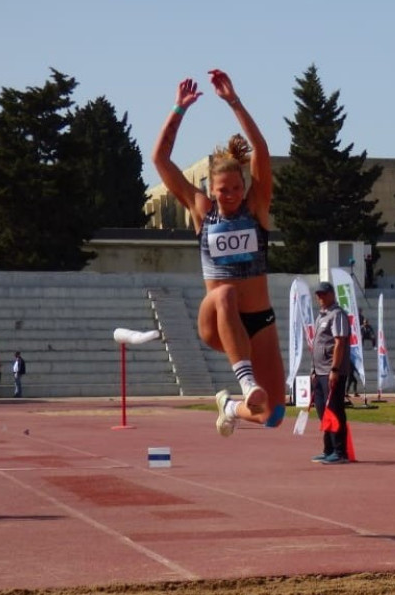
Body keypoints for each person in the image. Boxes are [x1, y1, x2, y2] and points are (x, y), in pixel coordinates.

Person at [152, 68, 285, 436]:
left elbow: (260, 149)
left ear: (244, 187)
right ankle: (243, 382)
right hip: (217, 318)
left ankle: (230, 405)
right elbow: (160, 160)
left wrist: (234, 102)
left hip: (260, 322)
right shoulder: (201, 210)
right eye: (221, 189)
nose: (228, 196)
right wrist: (178, 110)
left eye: (235, 189)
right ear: (210, 188)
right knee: (224, 290)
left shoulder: (255, 209)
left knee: (272, 415)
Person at [309, 281, 351, 464]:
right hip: (319, 371)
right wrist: (313, 370)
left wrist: (335, 369)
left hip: (332, 370)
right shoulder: (321, 317)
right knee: (323, 411)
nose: (320, 298)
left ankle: (340, 452)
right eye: (318, 294)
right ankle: (328, 449)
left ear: (332, 294)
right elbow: (317, 345)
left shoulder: (337, 315)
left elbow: (340, 342)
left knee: (334, 410)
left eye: (323, 294)